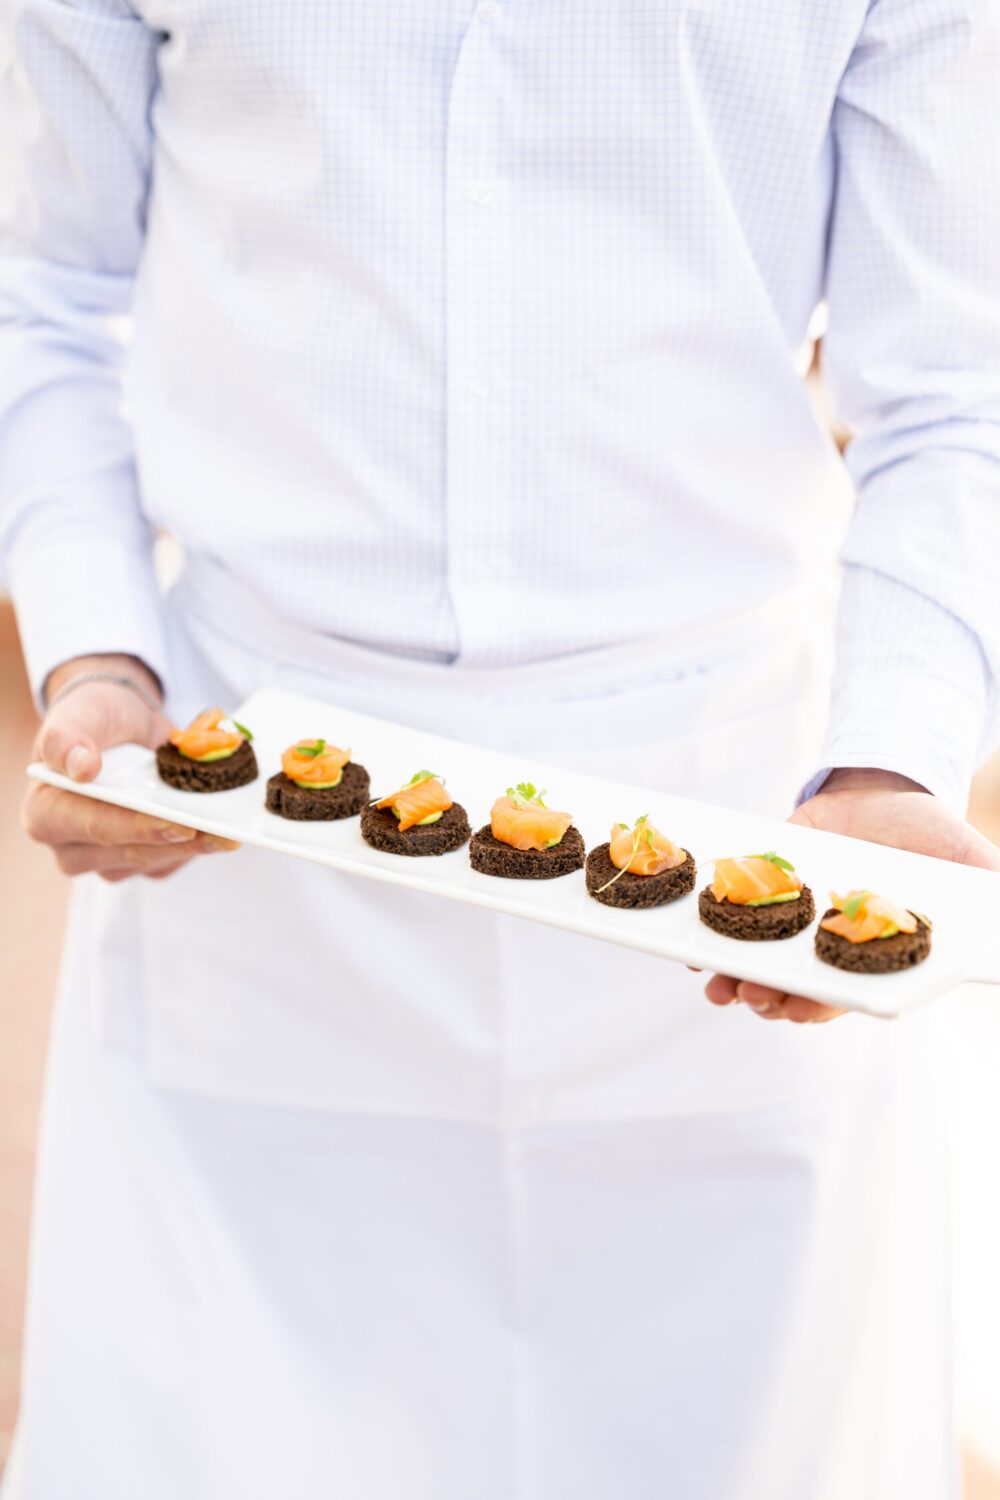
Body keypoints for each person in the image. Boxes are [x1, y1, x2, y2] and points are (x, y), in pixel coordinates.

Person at [1, 1, 998, 1495]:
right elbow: (40, 289)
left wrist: (895, 760)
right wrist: (97, 650)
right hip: (251, 831)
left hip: (732, 835)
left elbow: (957, 383)